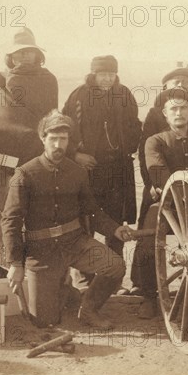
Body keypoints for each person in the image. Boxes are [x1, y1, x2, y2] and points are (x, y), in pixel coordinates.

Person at [1, 110, 129, 329]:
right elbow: (10, 220)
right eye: (53, 139)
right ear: (43, 139)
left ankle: (88, 309)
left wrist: (115, 229)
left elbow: (92, 211)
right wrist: (15, 264)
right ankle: (64, 289)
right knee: (44, 321)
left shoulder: (78, 172)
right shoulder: (25, 174)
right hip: (41, 251)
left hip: (75, 242)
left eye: (64, 139)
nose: (59, 145)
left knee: (115, 266)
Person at [131, 66, 188, 296]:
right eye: (174, 109)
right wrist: (156, 186)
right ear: (165, 113)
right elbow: (152, 164)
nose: (179, 113)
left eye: (184, 108)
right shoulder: (155, 138)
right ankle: (147, 293)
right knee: (148, 238)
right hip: (163, 198)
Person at [0, 27, 58, 279]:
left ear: (38, 55)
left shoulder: (48, 80)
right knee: (4, 219)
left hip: (36, 162)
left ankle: (38, 283)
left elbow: (49, 120)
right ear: (10, 57)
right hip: (2, 166)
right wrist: (32, 133)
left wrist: (43, 142)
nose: (25, 57)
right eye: (19, 53)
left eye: (30, 52)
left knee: (37, 221)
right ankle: (5, 280)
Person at [62, 55, 141, 259]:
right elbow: (63, 130)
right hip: (87, 170)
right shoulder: (79, 96)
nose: (107, 79)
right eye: (103, 74)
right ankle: (85, 277)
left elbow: (135, 125)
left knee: (115, 223)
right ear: (93, 74)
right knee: (84, 221)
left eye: (111, 74)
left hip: (117, 170)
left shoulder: (124, 94)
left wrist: (128, 148)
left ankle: (113, 275)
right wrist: (76, 155)